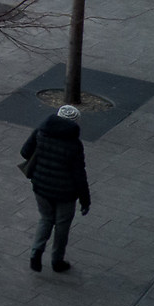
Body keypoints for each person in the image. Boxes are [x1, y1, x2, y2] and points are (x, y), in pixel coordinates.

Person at [22, 105, 91, 272]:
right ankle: (57, 261)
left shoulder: (41, 131)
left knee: (45, 218)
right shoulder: (74, 144)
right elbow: (79, 175)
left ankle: (35, 252)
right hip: (65, 193)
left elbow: (25, 152)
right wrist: (85, 200)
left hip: (40, 186)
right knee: (62, 225)